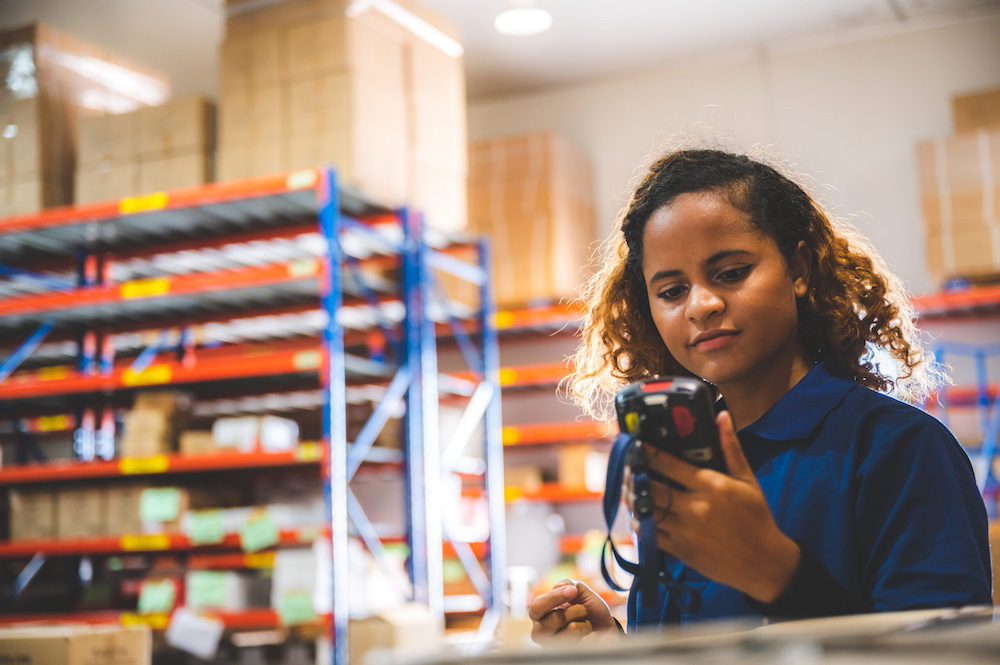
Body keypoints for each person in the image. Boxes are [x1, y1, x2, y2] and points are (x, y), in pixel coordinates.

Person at [527, 148, 992, 645]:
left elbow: (945, 657)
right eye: (671, 291)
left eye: (730, 272)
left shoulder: (900, 449)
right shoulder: (682, 462)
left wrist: (778, 575)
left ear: (798, 269)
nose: (701, 305)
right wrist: (616, 646)